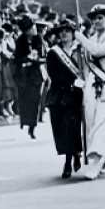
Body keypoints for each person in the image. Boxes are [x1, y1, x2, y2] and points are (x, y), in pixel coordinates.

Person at [74, 4, 105, 180]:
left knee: (104, 125)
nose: (96, 21)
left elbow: (97, 51)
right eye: (94, 18)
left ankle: (96, 163)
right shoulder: (92, 36)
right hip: (92, 86)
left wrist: (81, 39)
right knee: (92, 123)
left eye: (100, 18)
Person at [46, 19, 84, 178]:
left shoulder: (81, 51)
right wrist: (72, 81)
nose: (64, 34)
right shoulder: (53, 52)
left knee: (73, 127)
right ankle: (70, 157)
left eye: (67, 31)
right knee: (61, 128)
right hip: (59, 94)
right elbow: (53, 74)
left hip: (76, 93)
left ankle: (73, 157)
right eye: (61, 31)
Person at [13, 15, 47, 139]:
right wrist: (27, 59)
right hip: (23, 76)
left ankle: (32, 126)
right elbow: (16, 58)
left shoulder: (39, 39)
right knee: (24, 100)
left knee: (35, 100)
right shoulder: (20, 41)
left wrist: (35, 60)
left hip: (36, 74)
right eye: (31, 29)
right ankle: (24, 122)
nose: (34, 30)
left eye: (34, 28)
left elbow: (43, 57)